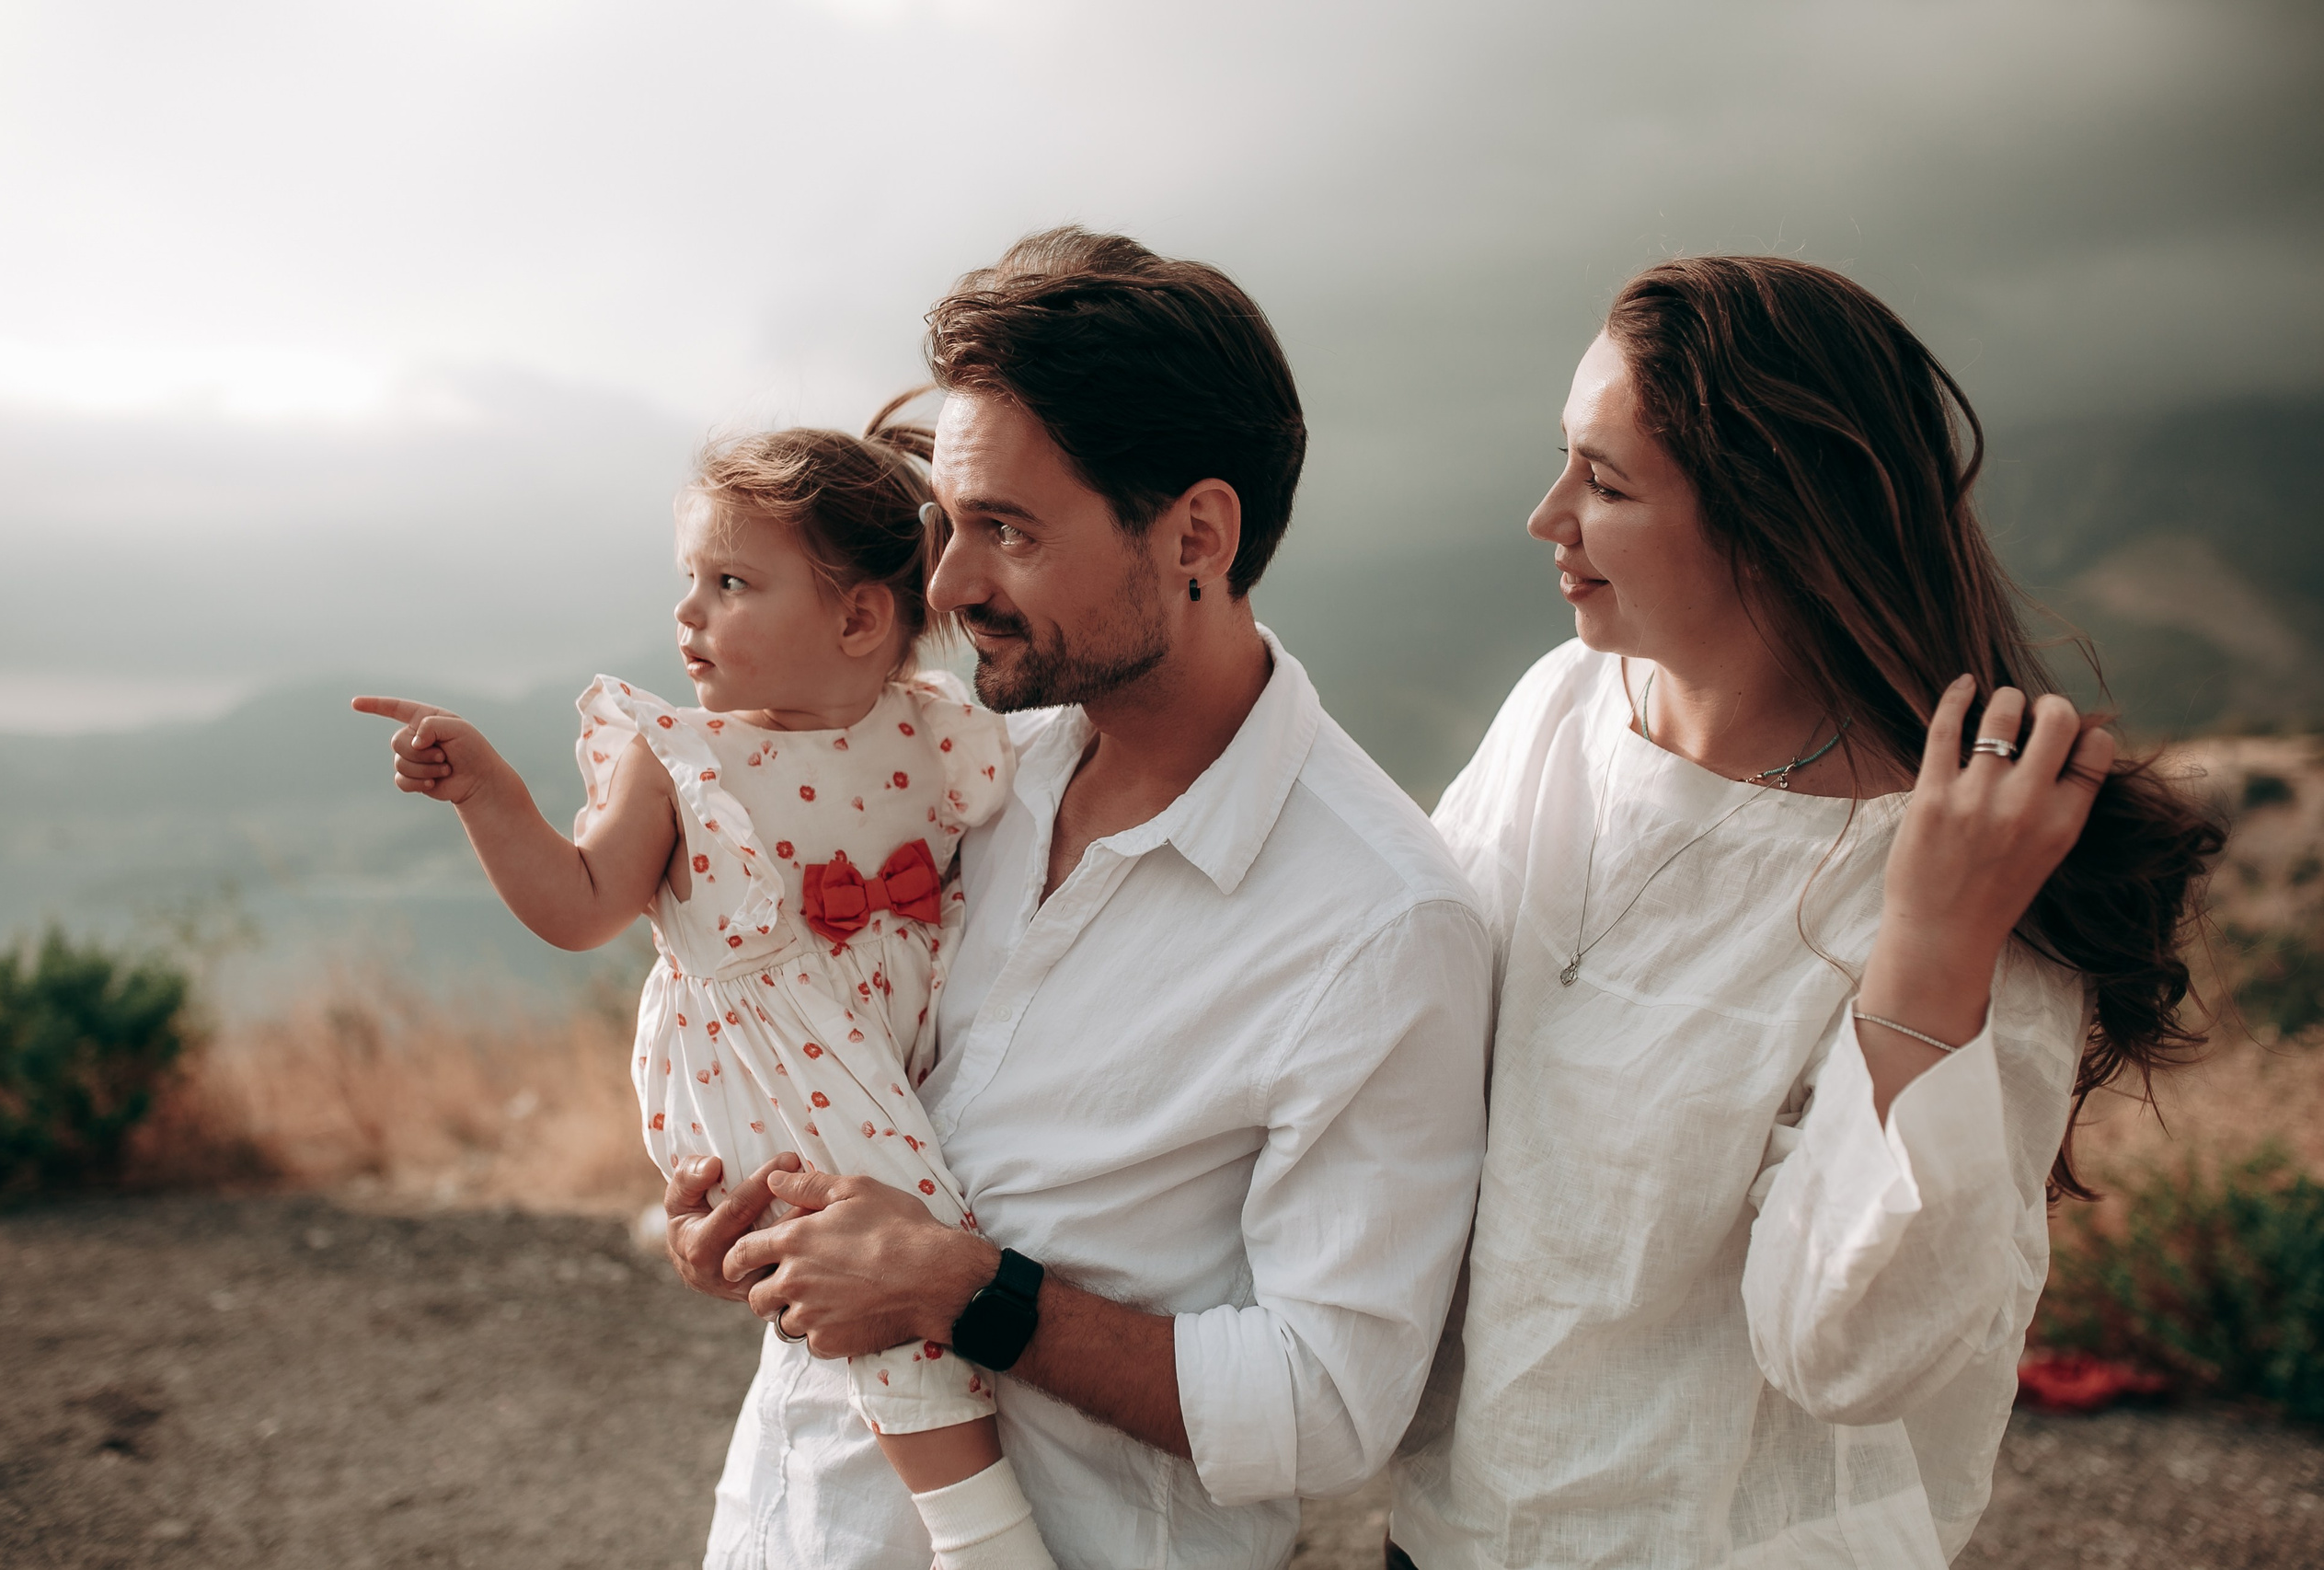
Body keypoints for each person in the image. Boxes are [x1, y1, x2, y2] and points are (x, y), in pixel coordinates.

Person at [660, 228, 1494, 1570]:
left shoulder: (1380, 923)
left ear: (1196, 535)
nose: (947, 586)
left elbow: (1329, 1408)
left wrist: (958, 1288)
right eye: (948, 523)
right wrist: (755, 1225)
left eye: (1007, 530)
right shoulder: (957, 776)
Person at [1387, 257, 2222, 1567]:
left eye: (1607, 483)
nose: (1547, 516)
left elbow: (1852, 1351)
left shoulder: (1962, 856)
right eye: (1565, 462)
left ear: (1777, 522)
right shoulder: (1558, 709)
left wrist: (1931, 949)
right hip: (1451, 1529)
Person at [351, 399, 1062, 1569]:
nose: (687, 611)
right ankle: (985, 1537)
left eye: (730, 583)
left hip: (889, 1057)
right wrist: (488, 793)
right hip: (766, 1064)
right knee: (886, 1252)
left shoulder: (934, 731)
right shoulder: (681, 759)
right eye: (689, 579)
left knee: (920, 1241)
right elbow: (580, 903)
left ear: (859, 617)